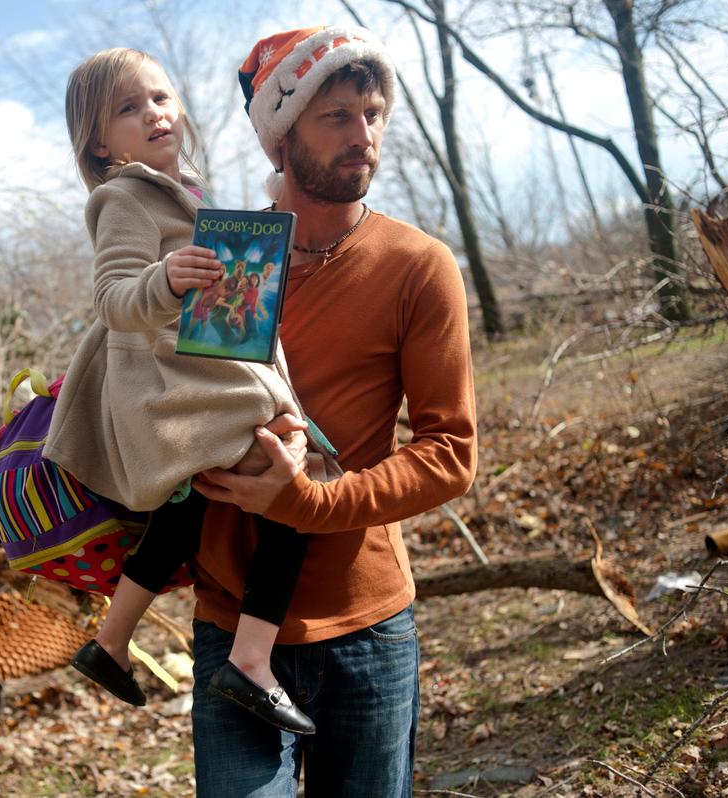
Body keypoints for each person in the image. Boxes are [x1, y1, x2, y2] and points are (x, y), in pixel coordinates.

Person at [189, 26, 477, 796]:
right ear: (282, 137)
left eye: (374, 113)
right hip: (232, 623)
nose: (364, 136)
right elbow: (184, 413)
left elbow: (450, 453)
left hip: (368, 629)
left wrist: (313, 502)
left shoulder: (418, 266)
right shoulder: (230, 261)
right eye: (337, 116)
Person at [44, 47, 337, 735]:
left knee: (188, 511)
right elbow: (116, 299)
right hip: (175, 390)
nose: (153, 113)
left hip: (203, 376)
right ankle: (252, 661)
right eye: (127, 108)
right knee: (294, 481)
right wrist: (168, 278)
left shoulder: (188, 192)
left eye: (160, 98)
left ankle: (110, 643)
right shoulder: (121, 200)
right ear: (98, 141)